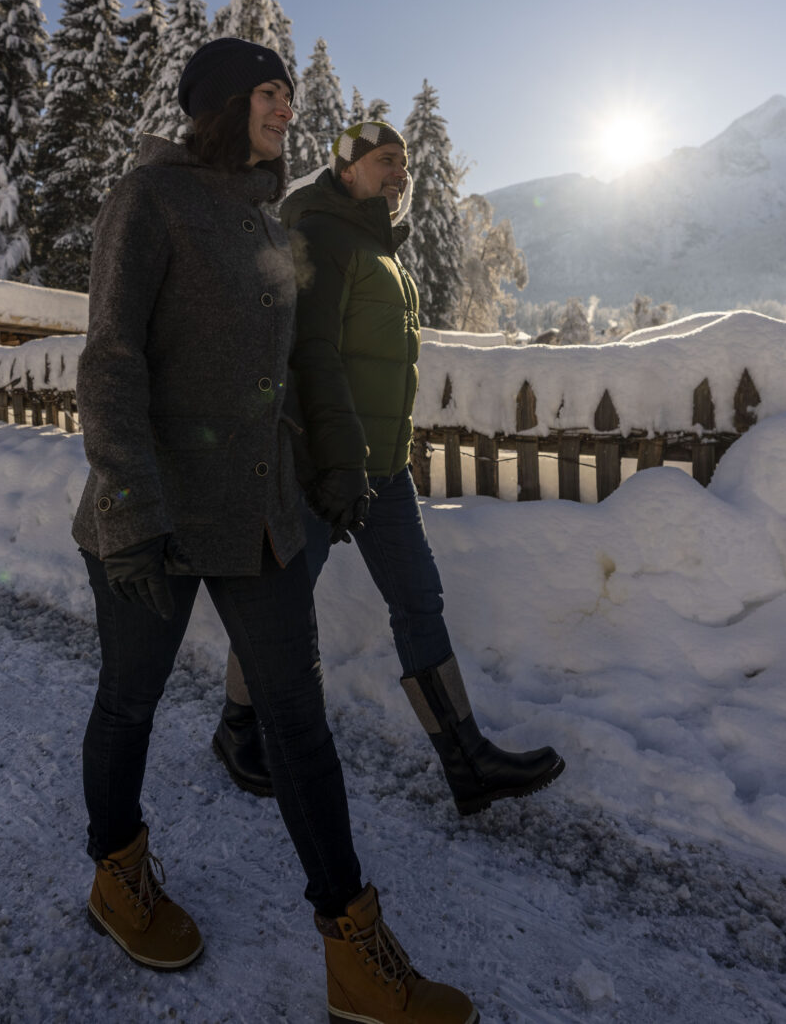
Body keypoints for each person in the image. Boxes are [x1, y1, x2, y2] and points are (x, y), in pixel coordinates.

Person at [74, 38, 476, 1024]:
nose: (285, 108)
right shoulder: (151, 200)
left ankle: (352, 946)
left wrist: (336, 461)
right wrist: (128, 509)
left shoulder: (265, 222)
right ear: (215, 102)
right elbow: (111, 360)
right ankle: (116, 874)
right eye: (267, 91)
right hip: (156, 520)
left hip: (256, 515)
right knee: (130, 702)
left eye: (289, 94)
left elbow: (309, 366)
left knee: (295, 722)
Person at [211, 118, 566, 816]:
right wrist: (325, 462)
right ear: (346, 170)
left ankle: (467, 761)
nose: (398, 171)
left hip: (382, 469)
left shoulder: (384, 253)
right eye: (383, 160)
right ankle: (236, 729)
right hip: (320, 466)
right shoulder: (323, 237)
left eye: (403, 162)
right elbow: (308, 357)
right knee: (278, 606)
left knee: (419, 600)